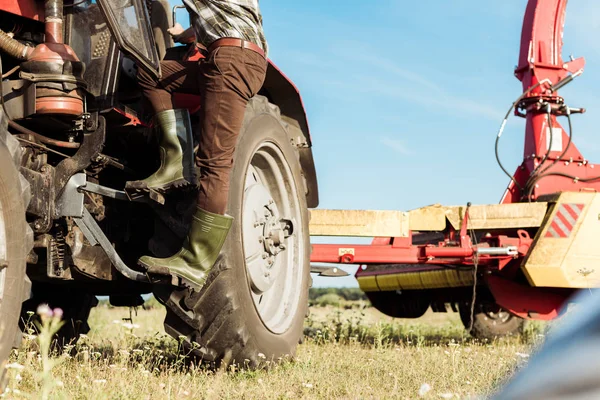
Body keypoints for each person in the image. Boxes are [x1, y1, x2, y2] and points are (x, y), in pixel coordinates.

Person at [125, 0, 268, 290]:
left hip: (232, 58)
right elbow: (225, 18)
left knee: (215, 164)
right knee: (151, 73)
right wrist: (187, 34)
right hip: (227, 52)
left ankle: (196, 261)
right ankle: (175, 165)